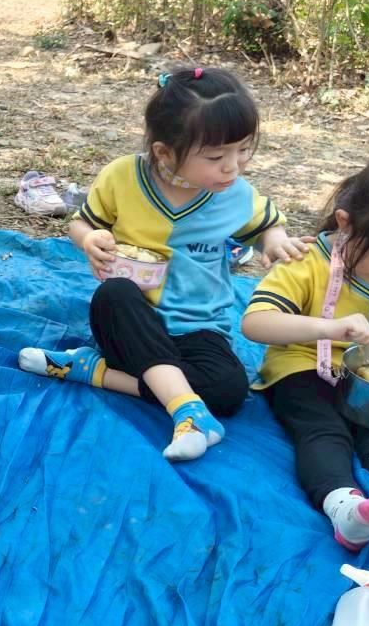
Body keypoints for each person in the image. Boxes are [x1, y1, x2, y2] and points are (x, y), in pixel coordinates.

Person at [17, 67, 305, 461]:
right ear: (164, 152)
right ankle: (189, 413)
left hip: (199, 327)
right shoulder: (122, 178)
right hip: (133, 322)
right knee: (113, 294)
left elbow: (267, 225)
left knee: (229, 391)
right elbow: (82, 223)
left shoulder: (236, 195)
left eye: (243, 150)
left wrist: (275, 242)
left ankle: (93, 371)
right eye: (216, 156)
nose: (233, 166)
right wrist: (89, 239)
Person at [242, 144, 369, 550]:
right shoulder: (307, 261)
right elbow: (255, 323)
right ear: (346, 223)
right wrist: (329, 328)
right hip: (303, 364)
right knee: (322, 428)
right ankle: (345, 508)